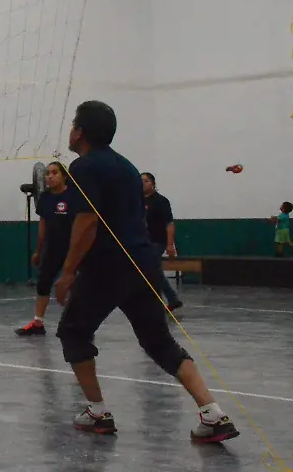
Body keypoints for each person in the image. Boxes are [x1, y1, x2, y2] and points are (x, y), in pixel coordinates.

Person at [54, 100, 238, 443]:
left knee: (74, 332)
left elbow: (87, 222)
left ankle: (97, 411)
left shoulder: (83, 167)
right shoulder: (127, 167)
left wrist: (67, 272)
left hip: (108, 267)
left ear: (79, 132)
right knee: (158, 340)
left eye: (73, 125)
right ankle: (212, 413)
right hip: (144, 263)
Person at [14, 162, 74, 337]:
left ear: (64, 176)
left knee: (75, 284)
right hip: (52, 247)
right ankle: (38, 323)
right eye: (47, 173)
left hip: (72, 247)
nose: (49, 176)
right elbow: (43, 226)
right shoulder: (46, 198)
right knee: (43, 283)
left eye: (54, 173)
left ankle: (75, 323)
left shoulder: (73, 196)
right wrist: (38, 251)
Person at [141, 172, 183, 311]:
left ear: (152, 184)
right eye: (140, 181)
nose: (142, 183)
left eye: (146, 181)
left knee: (151, 269)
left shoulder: (160, 201)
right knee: (153, 270)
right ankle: (172, 299)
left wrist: (170, 245)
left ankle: (162, 300)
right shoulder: (138, 200)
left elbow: (169, 223)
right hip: (142, 241)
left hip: (157, 241)